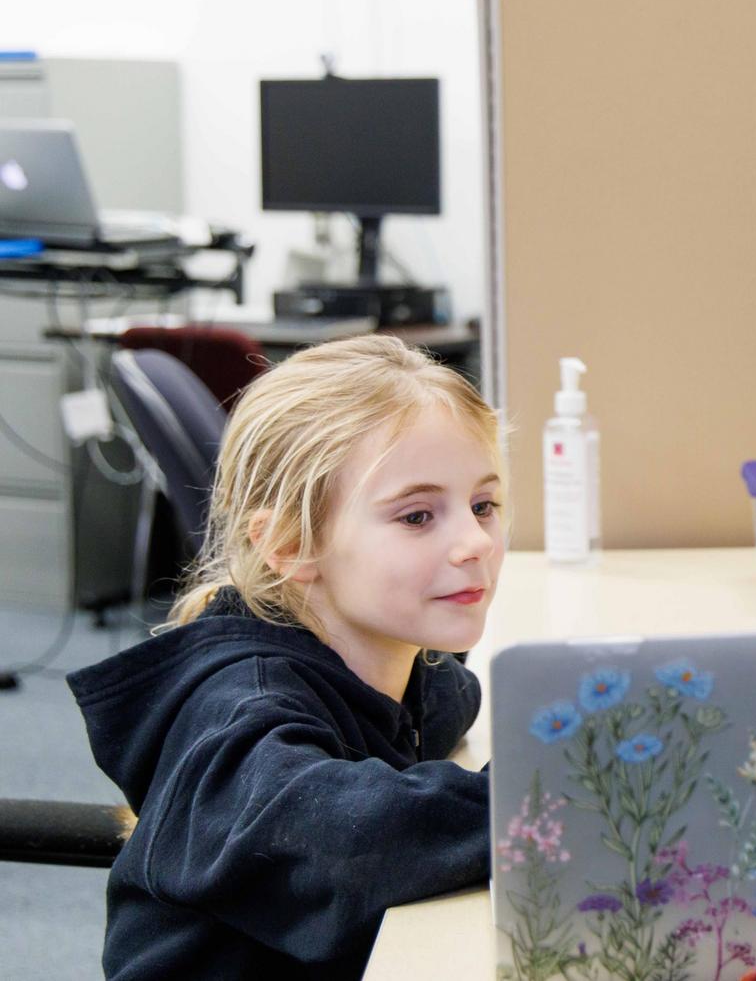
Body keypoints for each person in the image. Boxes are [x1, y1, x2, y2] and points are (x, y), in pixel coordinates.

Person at [68, 335, 506, 980]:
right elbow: (352, 846)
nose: (474, 542)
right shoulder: (238, 711)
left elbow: (449, 696)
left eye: (483, 505)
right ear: (290, 545)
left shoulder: (392, 662)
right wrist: (544, 795)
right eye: (417, 516)